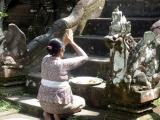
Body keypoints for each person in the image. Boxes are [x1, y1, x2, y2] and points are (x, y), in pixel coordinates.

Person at [37, 29, 88, 120]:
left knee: (50, 106)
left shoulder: (45, 59)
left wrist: (64, 42)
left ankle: (48, 114)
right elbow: (85, 57)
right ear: (61, 50)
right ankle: (58, 115)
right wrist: (72, 42)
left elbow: (57, 49)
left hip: (43, 104)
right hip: (60, 106)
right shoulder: (63, 64)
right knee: (81, 101)